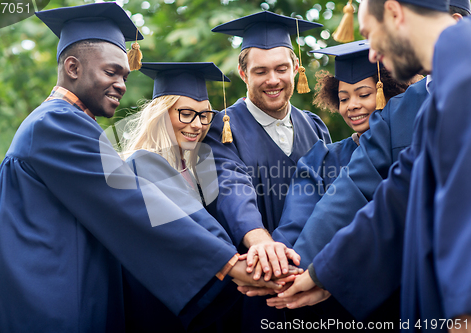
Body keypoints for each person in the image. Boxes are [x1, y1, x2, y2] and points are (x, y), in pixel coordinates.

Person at [0, 4, 285, 332]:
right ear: (73, 67)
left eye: (124, 75)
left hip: (55, 284)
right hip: (44, 295)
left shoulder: (66, 123)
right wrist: (227, 262)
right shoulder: (56, 123)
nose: (121, 84)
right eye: (111, 72)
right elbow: (131, 200)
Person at [265, 0, 471, 330]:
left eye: (370, 35)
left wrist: (464, 309)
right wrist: (320, 273)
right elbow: (396, 195)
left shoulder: (465, 75)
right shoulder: (437, 94)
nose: (372, 55)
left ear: (393, 12)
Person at [119, 62, 301, 332]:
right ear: (160, 115)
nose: (197, 125)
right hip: (163, 304)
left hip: (205, 303)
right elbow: (186, 230)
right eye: (186, 114)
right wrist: (246, 268)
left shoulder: (200, 171)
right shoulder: (141, 165)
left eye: (205, 116)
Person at [202, 10, 331, 332]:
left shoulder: (315, 127)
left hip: (311, 276)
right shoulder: (221, 127)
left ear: (296, 69)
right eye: (261, 71)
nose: (273, 80)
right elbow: (229, 186)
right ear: (243, 74)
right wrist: (261, 243)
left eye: (281, 69)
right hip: (253, 280)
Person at [274, 40, 407, 252]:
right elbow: (295, 225)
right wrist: (279, 262)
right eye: (344, 99)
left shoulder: (408, 151)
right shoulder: (321, 159)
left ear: (387, 92)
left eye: (364, 95)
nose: (352, 105)